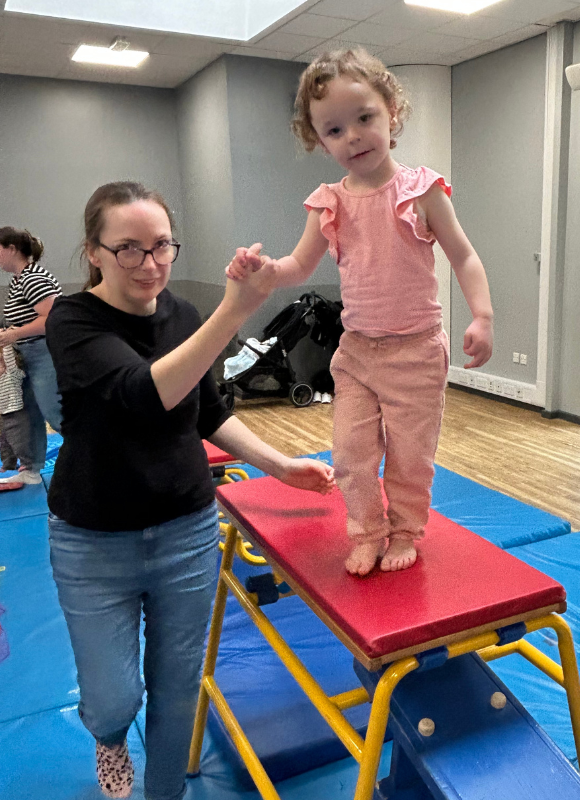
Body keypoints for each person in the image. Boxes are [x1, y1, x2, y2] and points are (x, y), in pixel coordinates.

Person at [45, 181, 334, 800]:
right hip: (93, 543)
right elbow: (144, 394)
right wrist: (237, 308)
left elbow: (205, 411)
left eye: (161, 247)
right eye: (128, 249)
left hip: (186, 534)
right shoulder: (72, 321)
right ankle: (109, 735)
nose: (149, 264)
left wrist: (280, 466)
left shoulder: (182, 316)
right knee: (112, 695)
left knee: (178, 687)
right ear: (93, 252)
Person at [227, 49, 493, 576]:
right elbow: (298, 266)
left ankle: (406, 530)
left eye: (364, 118)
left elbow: (464, 254)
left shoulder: (421, 191)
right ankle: (367, 530)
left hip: (416, 351)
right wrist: (263, 272)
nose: (352, 136)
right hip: (356, 353)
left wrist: (481, 315)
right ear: (318, 140)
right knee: (349, 455)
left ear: (391, 111)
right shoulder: (329, 201)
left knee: (410, 458)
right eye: (333, 130)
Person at [0, 227, 63, 477]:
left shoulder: (32, 278)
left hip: (43, 353)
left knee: (54, 411)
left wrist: (14, 333)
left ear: (11, 249)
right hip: (27, 354)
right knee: (32, 413)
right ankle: (32, 468)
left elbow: (53, 318)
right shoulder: (19, 279)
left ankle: (99, 456)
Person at [0, 343, 36, 483]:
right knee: (3, 441)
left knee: (19, 441)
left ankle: (28, 465)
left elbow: (8, 357)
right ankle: (8, 465)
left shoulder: (12, 373)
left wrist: (6, 343)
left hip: (16, 413)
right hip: (3, 414)